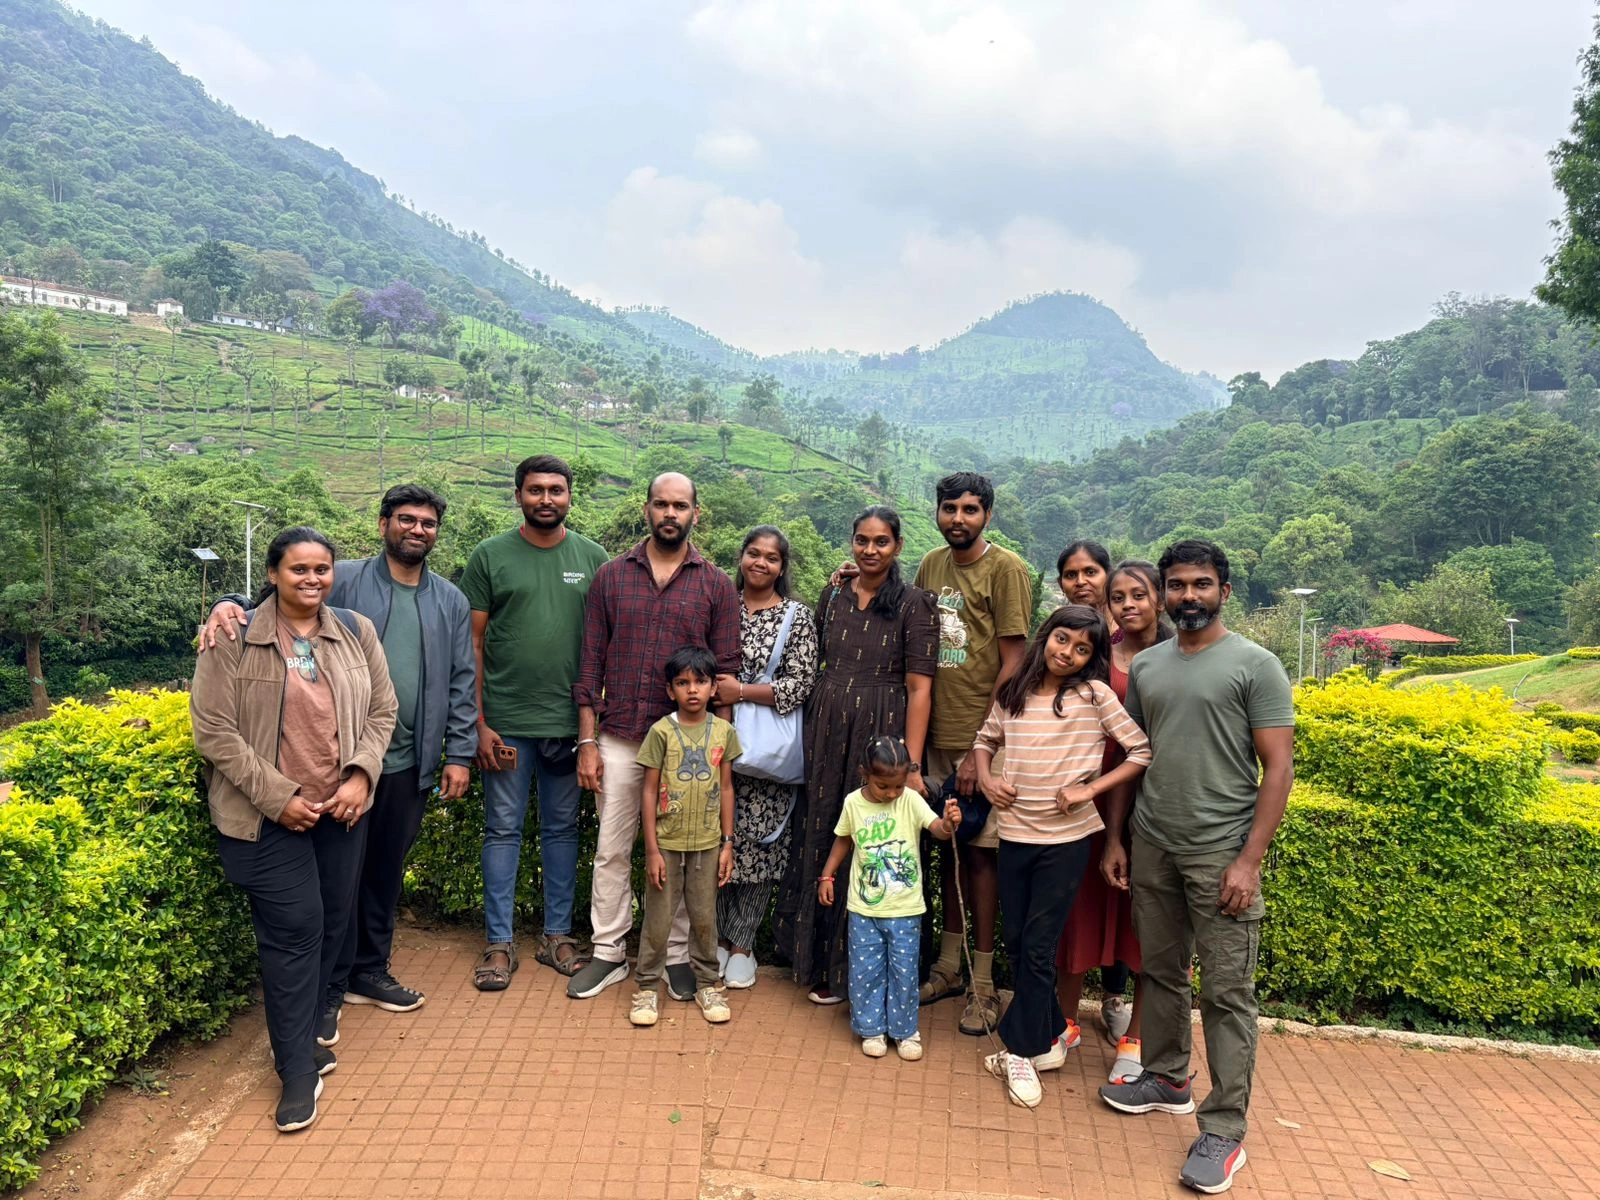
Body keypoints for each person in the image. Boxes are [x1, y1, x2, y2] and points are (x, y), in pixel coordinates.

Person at [199, 485, 476, 1038]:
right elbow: (274, 601)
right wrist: (224, 602)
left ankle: (368, 971)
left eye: (427, 522)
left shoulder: (450, 598)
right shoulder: (343, 577)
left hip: (404, 762)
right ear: (383, 524)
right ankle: (329, 989)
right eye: (406, 519)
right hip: (334, 767)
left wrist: (460, 752)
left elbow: (461, 678)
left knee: (383, 874)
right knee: (336, 887)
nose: (417, 529)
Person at [1098, 539, 1295, 1196]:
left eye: (1201, 584)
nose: (1189, 595)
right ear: (1164, 593)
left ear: (1224, 591)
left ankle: (1224, 1129)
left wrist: (1249, 860)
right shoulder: (1149, 666)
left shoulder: (1255, 665)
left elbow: (1279, 769)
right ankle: (1166, 1077)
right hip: (1153, 843)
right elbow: (1135, 756)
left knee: (1226, 994)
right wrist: (1117, 837)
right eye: (1178, 585)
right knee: (1160, 970)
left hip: (1221, 853)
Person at [190, 527, 397, 1133]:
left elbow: (383, 710)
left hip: (340, 810)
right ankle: (296, 1069)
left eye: (321, 569)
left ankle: (303, 1038)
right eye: (298, 569)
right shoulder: (233, 635)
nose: (312, 579)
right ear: (274, 574)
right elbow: (214, 731)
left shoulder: (355, 631)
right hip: (265, 817)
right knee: (295, 933)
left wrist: (361, 776)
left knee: (332, 925)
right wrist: (279, 798)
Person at [568, 472, 741, 1002]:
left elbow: (725, 673)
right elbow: (590, 663)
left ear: (695, 513)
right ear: (646, 508)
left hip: (689, 748)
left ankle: (675, 955)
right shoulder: (611, 577)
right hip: (621, 737)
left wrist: (718, 750)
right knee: (612, 849)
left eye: (680, 505)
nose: (670, 513)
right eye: (661, 504)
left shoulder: (716, 585)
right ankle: (608, 951)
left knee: (686, 854)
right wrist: (587, 742)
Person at [971, 605, 1150, 1109]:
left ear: (1092, 658)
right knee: (1015, 940)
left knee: (1038, 946)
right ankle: (1049, 1036)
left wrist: (1089, 789)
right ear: (1045, 636)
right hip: (1015, 835)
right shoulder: (1014, 692)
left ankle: (1021, 1053)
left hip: (1067, 842)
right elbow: (985, 741)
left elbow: (1140, 751)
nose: (1068, 652)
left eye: (1082, 649)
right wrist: (986, 779)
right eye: (1062, 639)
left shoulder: (1095, 695)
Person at [775, 505, 937, 1005]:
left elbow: (920, 688)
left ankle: (858, 972)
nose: (870, 550)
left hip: (881, 729)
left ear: (898, 546)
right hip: (826, 728)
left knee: (873, 839)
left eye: (881, 541)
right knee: (822, 828)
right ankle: (812, 958)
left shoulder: (915, 603)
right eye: (862, 540)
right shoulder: (834, 595)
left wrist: (909, 765)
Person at [462, 455, 609, 990]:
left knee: (562, 830)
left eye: (556, 490)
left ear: (570, 495)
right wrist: (478, 722)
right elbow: (473, 643)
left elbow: (603, 646)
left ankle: (556, 936)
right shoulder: (490, 555)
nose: (546, 498)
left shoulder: (593, 558)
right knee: (502, 829)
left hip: (569, 726)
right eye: (535, 490)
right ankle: (499, 943)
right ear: (518, 495)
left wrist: (590, 731)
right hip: (506, 725)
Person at [912, 472, 1033, 1036]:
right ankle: (948, 968)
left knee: (982, 860)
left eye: (969, 509)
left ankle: (983, 984)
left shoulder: (1006, 570)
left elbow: (1014, 662)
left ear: (987, 514)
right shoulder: (931, 565)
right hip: (936, 736)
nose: (957, 518)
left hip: (985, 743)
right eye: (949, 508)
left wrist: (977, 750)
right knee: (948, 852)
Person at [1056, 560, 1171, 1085]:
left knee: (1147, 922)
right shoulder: (1098, 654)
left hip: (1154, 801)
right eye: (1119, 597)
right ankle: (1065, 1021)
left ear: (1159, 599)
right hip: (1090, 796)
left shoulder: (1177, 656)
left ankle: (1136, 1037)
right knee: (1079, 909)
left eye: (1138, 595)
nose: (1128, 605)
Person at [712, 526, 819, 989]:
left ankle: (742, 944)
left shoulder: (797, 617)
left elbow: (800, 684)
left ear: (782, 567)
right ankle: (716, 937)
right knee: (717, 841)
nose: (760, 562)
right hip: (716, 743)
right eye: (753, 553)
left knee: (761, 848)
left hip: (768, 754)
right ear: (741, 557)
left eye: (771, 558)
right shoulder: (720, 605)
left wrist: (740, 691)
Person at [818, 736, 963, 1061]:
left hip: (905, 908)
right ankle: (871, 1028)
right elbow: (843, 840)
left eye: (897, 786)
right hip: (864, 909)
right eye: (883, 786)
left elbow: (937, 829)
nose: (891, 793)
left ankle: (905, 1030)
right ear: (864, 773)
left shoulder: (910, 800)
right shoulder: (854, 803)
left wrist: (949, 823)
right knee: (866, 970)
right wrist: (827, 875)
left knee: (904, 972)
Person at [628, 647, 740, 1028]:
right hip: (667, 844)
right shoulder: (661, 732)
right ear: (670, 689)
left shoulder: (723, 732)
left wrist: (727, 843)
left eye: (701, 681)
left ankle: (708, 983)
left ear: (713, 688)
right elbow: (648, 791)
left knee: (704, 917)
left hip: (708, 845)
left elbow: (727, 788)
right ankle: (647, 986)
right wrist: (652, 850)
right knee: (658, 918)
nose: (692, 689)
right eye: (683, 682)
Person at [1058, 540, 1116, 632]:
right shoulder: (1059, 633)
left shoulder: (1131, 629)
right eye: (1071, 575)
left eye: (1090, 572)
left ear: (1109, 576)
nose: (1080, 582)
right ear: (1060, 584)